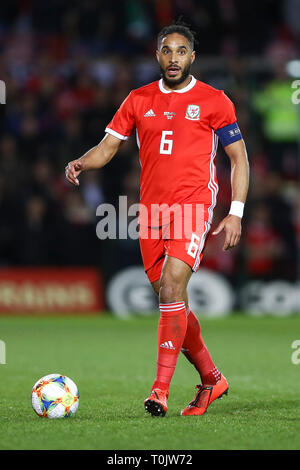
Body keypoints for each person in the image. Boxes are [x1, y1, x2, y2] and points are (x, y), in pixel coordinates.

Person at [65, 22, 249, 417]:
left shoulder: (215, 100)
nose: (174, 58)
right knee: (171, 299)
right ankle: (212, 379)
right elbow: (108, 146)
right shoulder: (138, 99)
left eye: (181, 51)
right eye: (167, 51)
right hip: (151, 212)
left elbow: (239, 159)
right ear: (158, 55)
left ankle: (159, 391)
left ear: (193, 57)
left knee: (171, 287)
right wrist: (83, 161)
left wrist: (235, 213)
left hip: (194, 206)